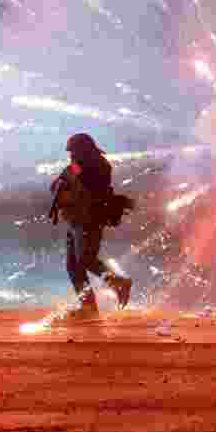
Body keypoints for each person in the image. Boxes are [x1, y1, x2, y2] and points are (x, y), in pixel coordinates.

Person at [50, 133, 132, 317]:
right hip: (74, 219)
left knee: (86, 259)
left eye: (74, 150)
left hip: (88, 219)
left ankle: (117, 282)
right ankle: (88, 307)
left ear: (84, 149)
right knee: (74, 267)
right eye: (70, 151)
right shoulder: (78, 165)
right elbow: (56, 184)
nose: (71, 154)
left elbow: (91, 187)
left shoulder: (98, 165)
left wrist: (72, 173)